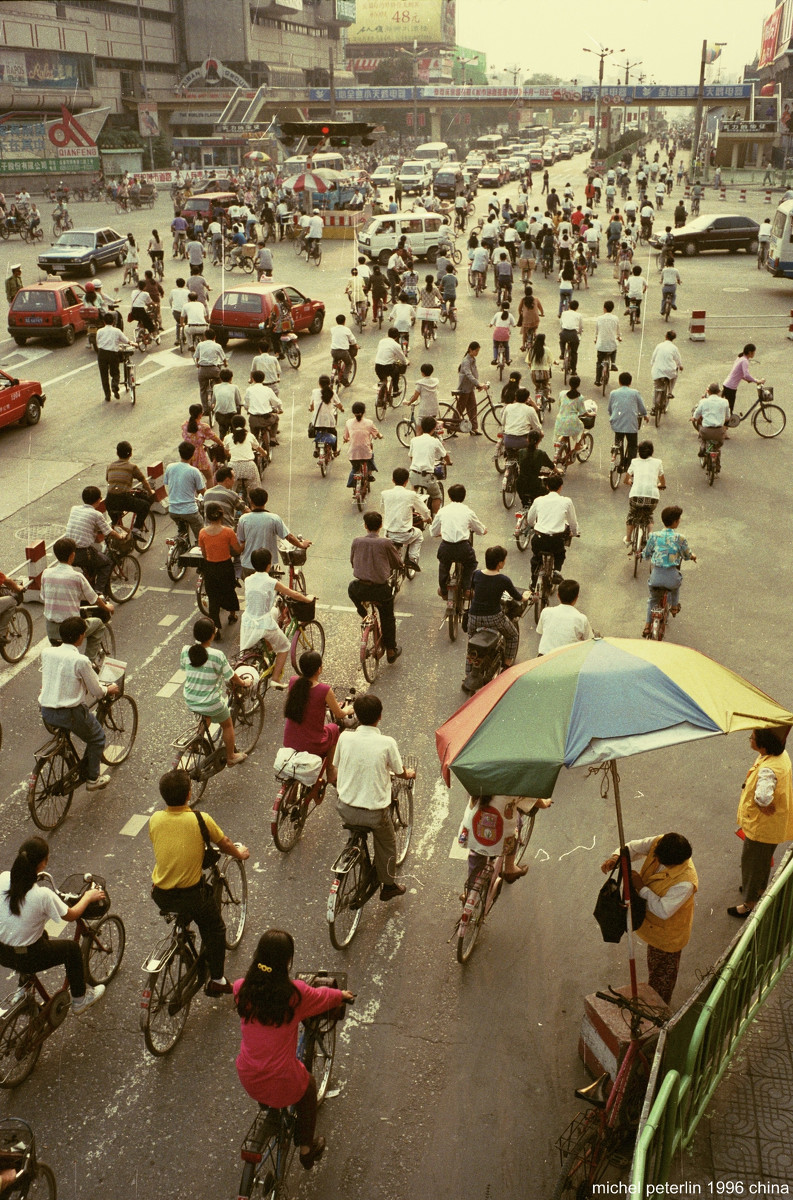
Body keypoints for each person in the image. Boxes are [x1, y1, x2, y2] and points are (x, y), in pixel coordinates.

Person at [233, 930, 353, 1171]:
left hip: (248, 1075)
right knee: (308, 1088)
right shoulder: (294, 995)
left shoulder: (241, 989)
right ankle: (307, 1151)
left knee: (268, 1087)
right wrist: (341, 995)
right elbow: (322, 996)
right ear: (287, 961)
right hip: (284, 1080)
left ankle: (271, 1110)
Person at [151, 768, 250, 996]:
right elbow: (223, 843)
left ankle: (184, 926)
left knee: (186, 908)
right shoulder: (199, 819)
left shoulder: (155, 819)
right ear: (188, 795)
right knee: (215, 929)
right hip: (190, 895)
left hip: (160, 894)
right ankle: (217, 980)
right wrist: (239, 853)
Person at [0, 836, 108, 1015]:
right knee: (72, 949)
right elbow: (72, 915)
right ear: (43, 863)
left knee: (40, 935)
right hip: (30, 955)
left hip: (3, 952)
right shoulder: (43, 896)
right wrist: (88, 897)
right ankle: (80, 1000)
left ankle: (24, 986)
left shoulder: (3, 878)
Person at [334, 693, 415, 898]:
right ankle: (388, 886)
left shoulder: (344, 737)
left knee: (356, 825)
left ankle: (354, 847)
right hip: (374, 813)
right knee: (387, 843)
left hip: (344, 807)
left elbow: (338, 764)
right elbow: (399, 772)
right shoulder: (387, 742)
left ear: (357, 716)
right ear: (380, 716)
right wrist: (409, 773)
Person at [601, 833, 697, 1005]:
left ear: (674, 862)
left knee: (662, 978)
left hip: (668, 935)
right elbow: (633, 848)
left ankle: (658, 1013)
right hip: (652, 927)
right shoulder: (661, 843)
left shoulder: (685, 882)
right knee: (654, 967)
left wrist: (641, 887)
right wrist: (616, 857)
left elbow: (662, 910)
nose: (655, 859)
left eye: (660, 859)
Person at [38, 614, 120, 790]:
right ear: (81, 636)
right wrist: (109, 689)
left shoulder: (47, 652)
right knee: (97, 738)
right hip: (70, 713)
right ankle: (92, 779)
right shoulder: (80, 660)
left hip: (46, 711)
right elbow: (97, 691)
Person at [730, 729, 793, 918]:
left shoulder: (768, 769)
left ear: (763, 745)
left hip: (761, 827)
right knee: (763, 860)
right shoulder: (780, 756)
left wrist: (762, 804)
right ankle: (758, 888)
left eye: (753, 738)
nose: (750, 740)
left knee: (752, 863)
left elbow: (763, 797)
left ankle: (749, 904)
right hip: (772, 825)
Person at [181, 617, 251, 766]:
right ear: (212, 635)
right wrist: (244, 682)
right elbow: (231, 676)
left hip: (190, 698)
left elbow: (185, 668)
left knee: (206, 715)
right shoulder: (217, 655)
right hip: (210, 702)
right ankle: (231, 756)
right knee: (227, 724)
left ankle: (196, 740)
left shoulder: (186, 650)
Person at [239, 548, 304, 686]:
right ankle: (275, 679)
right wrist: (308, 598)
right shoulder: (271, 582)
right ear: (269, 565)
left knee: (274, 611)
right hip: (263, 623)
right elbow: (293, 594)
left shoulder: (248, 579)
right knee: (285, 646)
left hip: (248, 621)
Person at [458, 795, 552, 889]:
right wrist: (545, 802)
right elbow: (533, 800)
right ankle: (510, 869)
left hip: (472, 830)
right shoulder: (513, 786)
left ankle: (469, 892)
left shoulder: (476, 783)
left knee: (475, 854)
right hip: (500, 835)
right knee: (514, 827)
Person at [283, 650, 351, 775]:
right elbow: (339, 714)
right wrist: (348, 709)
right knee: (334, 729)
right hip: (312, 744)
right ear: (319, 669)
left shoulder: (293, 682)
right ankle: (330, 771)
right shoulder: (324, 690)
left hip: (289, 740)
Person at [348, 512, 403, 663]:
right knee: (387, 617)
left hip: (360, 588)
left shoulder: (356, 541)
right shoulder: (385, 543)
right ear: (380, 526)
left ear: (365, 526)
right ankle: (391, 650)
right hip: (380, 589)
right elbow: (397, 562)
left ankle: (362, 612)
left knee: (351, 588)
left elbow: (353, 562)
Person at [467, 545, 530, 669]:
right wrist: (526, 596)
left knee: (471, 645)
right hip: (494, 618)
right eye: (504, 560)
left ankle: (468, 672)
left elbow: (474, 589)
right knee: (513, 635)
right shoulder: (503, 580)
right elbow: (517, 597)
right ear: (500, 563)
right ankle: (506, 667)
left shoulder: (476, 574)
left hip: (473, 617)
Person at [641, 505, 696, 636]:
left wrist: (645, 555)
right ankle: (674, 606)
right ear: (676, 521)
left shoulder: (654, 536)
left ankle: (647, 626)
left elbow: (646, 553)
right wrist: (692, 556)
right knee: (676, 585)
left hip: (656, 577)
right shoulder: (680, 538)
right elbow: (687, 554)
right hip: (671, 577)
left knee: (652, 599)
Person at [65, 485, 124, 598]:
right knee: (107, 563)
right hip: (83, 553)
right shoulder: (97, 514)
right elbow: (108, 531)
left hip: (69, 551)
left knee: (95, 558)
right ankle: (98, 592)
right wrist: (120, 536)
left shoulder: (74, 509)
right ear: (98, 500)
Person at [430, 483, 486, 598]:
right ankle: (467, 588)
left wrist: (439, 533)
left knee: (444, 564)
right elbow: (479, 529)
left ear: (449, 497)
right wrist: (484, 530)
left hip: (446, 548)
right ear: (464, 497)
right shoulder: (468, 511)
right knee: (471, 564)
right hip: (463, 548)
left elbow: (433, 531)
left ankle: (444, 591)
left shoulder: (442, 511)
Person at [236, 489, 309, 575]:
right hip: (267, 566)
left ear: (251, 501)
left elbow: (241, 541)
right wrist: (301, 545)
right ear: (266, 501)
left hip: (248, 564)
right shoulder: (274, 518)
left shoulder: (243, 519)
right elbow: (289, 537)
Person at [525, 473, 578, 589]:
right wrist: (574, 532)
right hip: (556, 540)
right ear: (560, 487)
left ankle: (534, 582)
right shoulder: (567, 501)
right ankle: (557, 571)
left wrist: (535, 525)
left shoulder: (538, 500)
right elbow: (573, 522)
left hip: (539, 539)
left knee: (536, 558)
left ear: (547, 487)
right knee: (560, 554)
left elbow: (530, 520)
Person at [198, 502, 241, 636]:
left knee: (213, 597)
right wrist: (244, 544)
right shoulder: (228, 532)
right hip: (226, 567)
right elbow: (238, 549)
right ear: (221, 515)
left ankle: (215, 629)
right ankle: (232, 615)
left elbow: (204, 554)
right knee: (229, 591)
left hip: (210, 568)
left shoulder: (202, 533)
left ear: (207, 517)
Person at [381, 467, 430, 571]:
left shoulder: (384, 494)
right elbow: (424, 510)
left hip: (388, 534)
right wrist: (428, 518)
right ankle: (412, 558)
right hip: (405, 534)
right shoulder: (411, 494)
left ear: (393, 480)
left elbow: (383, 508)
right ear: (407, 481)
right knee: (419, 535)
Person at [105, 440, 155, 538]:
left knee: (115, 524)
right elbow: (144, 481)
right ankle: (136, 530)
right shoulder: (132, 467)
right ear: (131, 454)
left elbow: (108, 480)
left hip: (109, 500)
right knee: (144, 505)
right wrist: (151, 492)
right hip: (123, 499)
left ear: (117, 453)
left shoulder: (109, 466)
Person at [624, 440, 665, 547]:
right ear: (652, 451)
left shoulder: (634, 461)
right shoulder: (658, 462)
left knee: (632, 515)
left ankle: (628, 539)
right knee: (648, 515)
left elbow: (626, 479)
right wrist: (660, 485)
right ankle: (650, 536)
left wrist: (629, 482)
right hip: (652, 497)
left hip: (636, 496)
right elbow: (662, 481)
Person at [536, 579, 593, 655]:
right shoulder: (581, 619)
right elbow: (589, 641)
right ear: (576, 597)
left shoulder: (546, 612)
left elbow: (540, 631)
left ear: (558, 596)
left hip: (543, 659)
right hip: (566, 661)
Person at [165, 442, 205, 542]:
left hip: (173, 510)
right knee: (202, 536)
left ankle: (181, 543)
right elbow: (202, 491)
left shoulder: (170, 467)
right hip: (189, 511)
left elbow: (167, 482)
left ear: (180, 453)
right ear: (192, 454)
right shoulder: (194, 471)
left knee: (182, 531)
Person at [408, 415, 449, 516]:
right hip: (427, 476)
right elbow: (445, 455)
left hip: (413, 473)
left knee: (413, 496)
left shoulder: (414, 440)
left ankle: (411, 513)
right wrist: (449, 462)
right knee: (436, 496)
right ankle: (435, 518)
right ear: (434, 428)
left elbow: (411, 456)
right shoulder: (435, 441)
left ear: (421, 427)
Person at [608, 371, 647, 470]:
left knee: (618, 442)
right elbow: (641, 407)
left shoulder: (613, 393)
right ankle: (630, 468)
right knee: (633, 446)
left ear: (619, 382)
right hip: (631, 425)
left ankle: (618, 458)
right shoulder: (635, 393)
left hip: (617, 424)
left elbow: (610, 409)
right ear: (630, 382)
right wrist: (645, 415)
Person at [95, 312, 134, 404]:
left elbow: (98, 343)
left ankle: (107, 396)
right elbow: (126, 340)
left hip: (101, 354)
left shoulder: (99, 331)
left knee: (104, 376)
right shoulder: (117, 331)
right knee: (115, 373)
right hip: (113, 354)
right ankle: (115, 385)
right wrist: (132, 343)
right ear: (113, 321)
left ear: (104, 322)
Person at [182, 403, 224, 487]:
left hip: (187, 455)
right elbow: (214, 437)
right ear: (200, 414)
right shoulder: (203, 427)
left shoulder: (184, 425)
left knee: (190, 478)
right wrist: (222, 444)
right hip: (200, 455)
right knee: (209, 477)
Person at [344, 401, 382, 487]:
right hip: (366, 453)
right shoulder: (369, 423)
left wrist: (346, 439)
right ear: (364, 411)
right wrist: (380, 436)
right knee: (370, 456)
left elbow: (346, 437)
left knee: (355, 468)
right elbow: (377, 433)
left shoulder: (348, 422)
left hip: (353, 454)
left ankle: (352, 482)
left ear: (353, 412)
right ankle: (369, 474)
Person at [722, 344, 765, 415]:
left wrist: (748, 380)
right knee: (729, 410)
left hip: (727, 384)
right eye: (754, 352)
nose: (754, 354)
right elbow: (746, 375)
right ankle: (725, 425)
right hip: (731, 387)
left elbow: (739, 373)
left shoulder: (740, 358)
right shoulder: (745, 361)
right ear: (750, 352)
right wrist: (757, 381)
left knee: (728, 408)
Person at [552, 375, 588, 461]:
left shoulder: (562, 393)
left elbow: (560, 405)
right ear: (578, 385)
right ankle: (578, 446)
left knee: (564, 435)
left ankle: (559, 454)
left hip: (560, 420)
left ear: (569, 383)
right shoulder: (580, 397)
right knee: (581, 427)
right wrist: (591, 414)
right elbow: (583, 412)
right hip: (572, 420)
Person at [517, 430, 555, 509]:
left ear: (527, 439)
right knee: (550, 495)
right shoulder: (541, 454)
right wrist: (558, 471)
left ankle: (525, 506)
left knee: (525, 502)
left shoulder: (521, 452)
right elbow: (552, 466)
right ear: (539, 441)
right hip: (534, 486)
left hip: (520, 485)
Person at [194, 330, 227, 416]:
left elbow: (196, 357)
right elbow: (223, 358)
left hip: (202, 370)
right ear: (214, 337)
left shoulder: (200, 345)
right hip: (214, 370)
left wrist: (197, 364)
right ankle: (219, 405)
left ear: (204, 337)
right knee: (220, 385)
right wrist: (226, 364)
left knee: (203, 389)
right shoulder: (217, 346)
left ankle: (205, 409)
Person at [456, 342, 485, 436]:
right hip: (464, 389)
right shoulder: (466, 361)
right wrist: (478, 383)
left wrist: (477, 385)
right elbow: (469, 375)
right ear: (470, 350)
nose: (477, 353)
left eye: (478, 351)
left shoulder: (472, 359)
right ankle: (452, 426)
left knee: (473, 408)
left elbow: (474, 374)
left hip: (470, 388)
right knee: (460, 409)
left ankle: (474, 428)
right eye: (476, 351)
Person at [309, 375, 343, 456]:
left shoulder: (315, 392)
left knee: (318, 432)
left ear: (319, 384)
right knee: (334, 433)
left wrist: (311, 409)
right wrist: (342, 409)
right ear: (329, 383)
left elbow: (311, 406)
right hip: (329, 422)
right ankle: (335, 451)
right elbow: (339, 404)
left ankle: (317, 448)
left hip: (317, 421)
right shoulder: (332, 392)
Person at [692, 382, 730, 451]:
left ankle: (703, 446)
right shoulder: (725, 402)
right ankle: (716, 454)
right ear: (719, 391)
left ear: (708, 392)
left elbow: (697, 414)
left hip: (706, 432)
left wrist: (694, 418)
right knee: (719, 444)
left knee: (701, 435)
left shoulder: (703, 401)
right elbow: (727, 417)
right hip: (719, 433)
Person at [594, 300, 621, 387]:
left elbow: (596, 332)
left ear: (604, 308)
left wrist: (595, 339)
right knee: (614, 348)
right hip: (611, 345)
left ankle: (598, 380)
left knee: (599, 362)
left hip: (601, 345)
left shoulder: (599, 318)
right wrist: (619, 337)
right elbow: (618, 331)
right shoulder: (615, 318)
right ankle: (613, 363)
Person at [650, 330, 683, 400]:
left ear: (666, 336)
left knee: (656, 388)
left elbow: (653, 358)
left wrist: (652, 364)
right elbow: (678, 359)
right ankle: (670, 392)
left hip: (658, 371)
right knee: (675, 376)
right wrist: (680, 366)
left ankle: (654, 407)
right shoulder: (674, 348)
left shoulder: (659, 346)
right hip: (669, 371)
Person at [374, 328, 408, 396]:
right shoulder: (396, 345)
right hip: (388, 367)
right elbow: (402, 358)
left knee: (383, 379)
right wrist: (406, 362)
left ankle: (382, 395)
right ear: (397, 336)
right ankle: (395, 391)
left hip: (377, 366)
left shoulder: (381, 341)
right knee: (396, 373)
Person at [213, 368, 243, 439]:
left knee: (222, 429)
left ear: (220, 378)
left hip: (219, 415)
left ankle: (222, 442)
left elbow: (213, 401)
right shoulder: (234, 387)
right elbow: (238, 402)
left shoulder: (215, 387)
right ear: (231, 378)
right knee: (238, 408)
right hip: (231, 415)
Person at [330, 313, 357, 385]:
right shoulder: (346, 329)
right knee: (349, 363)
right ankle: (344, 379)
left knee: (335, 360)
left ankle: (334, 371)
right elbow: (353, 340)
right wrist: (355, 345)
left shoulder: (332, 329)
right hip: (343, 352)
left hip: (333, 351)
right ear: (344, 321)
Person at [558, 299, 583, 375]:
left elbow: (561, 324)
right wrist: (580, 332)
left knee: (561, 342)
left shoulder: (564, 313)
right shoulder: (579, 315)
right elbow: (580, 327)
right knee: (574, 352)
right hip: (573, 334)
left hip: (564, 333)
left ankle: (562, 353)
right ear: (577, 308)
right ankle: (573, 370)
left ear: (569, 306)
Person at [518, 287, 543, 352]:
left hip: (526, 320)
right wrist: (542, 314)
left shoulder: (523, 300)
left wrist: (521, 314)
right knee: (534, 329)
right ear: (532, 292)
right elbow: (540, 308)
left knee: (524, 332)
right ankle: (534, 335)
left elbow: (519, 309)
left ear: (525, 292)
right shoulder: (536, 299)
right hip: (535, 319)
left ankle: (523, 345)